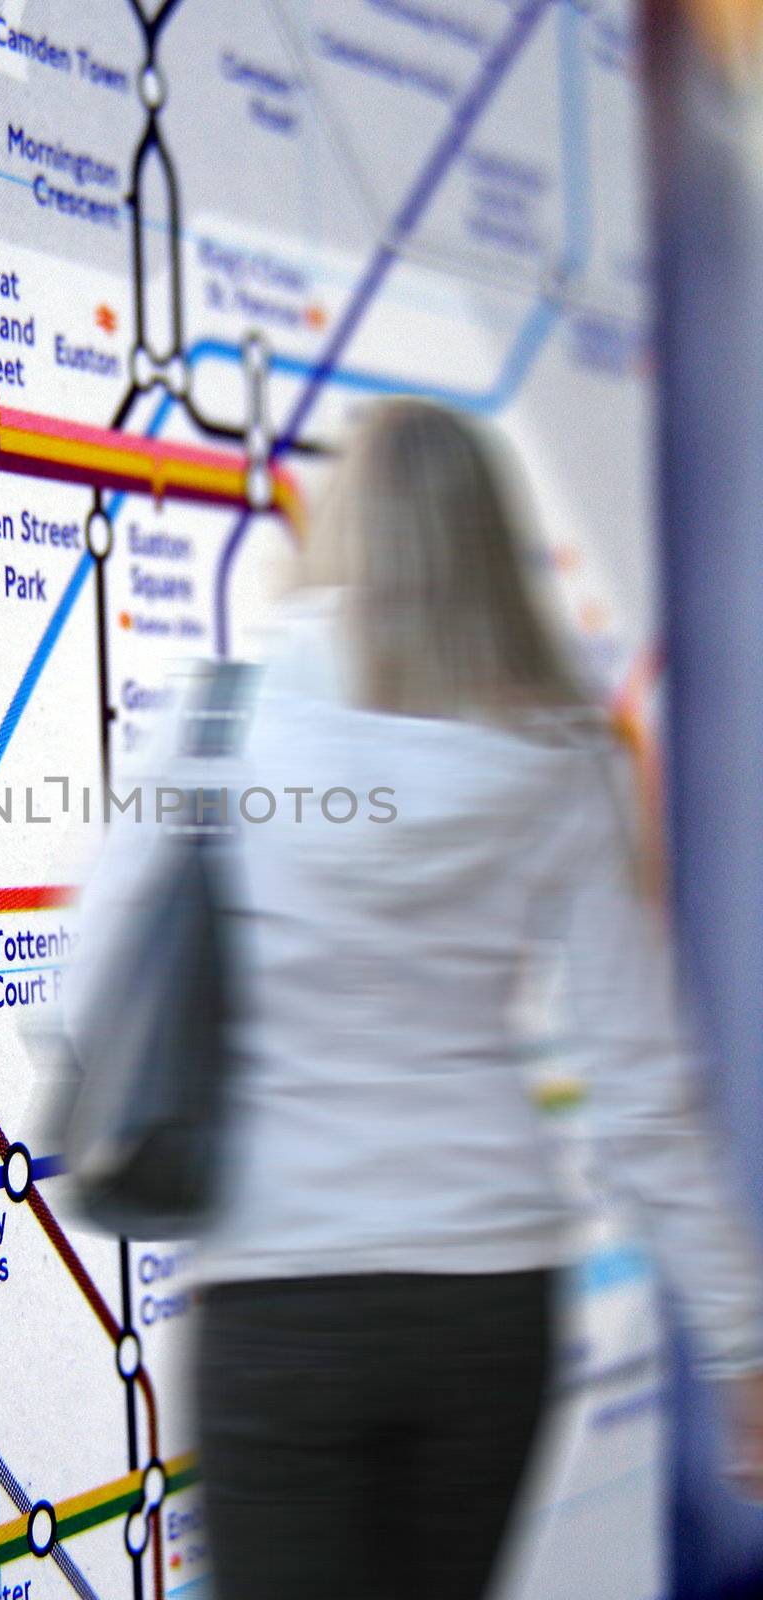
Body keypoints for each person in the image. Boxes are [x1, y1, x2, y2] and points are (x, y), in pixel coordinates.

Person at [63, 399, 763, 1599]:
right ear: (490, 543)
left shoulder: (216, 724)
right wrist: (741, 1338)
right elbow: (641, 1087)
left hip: (281, 1294)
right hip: (489, 1304)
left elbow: (86, 1003)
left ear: (344, 528)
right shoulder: (566, 756)